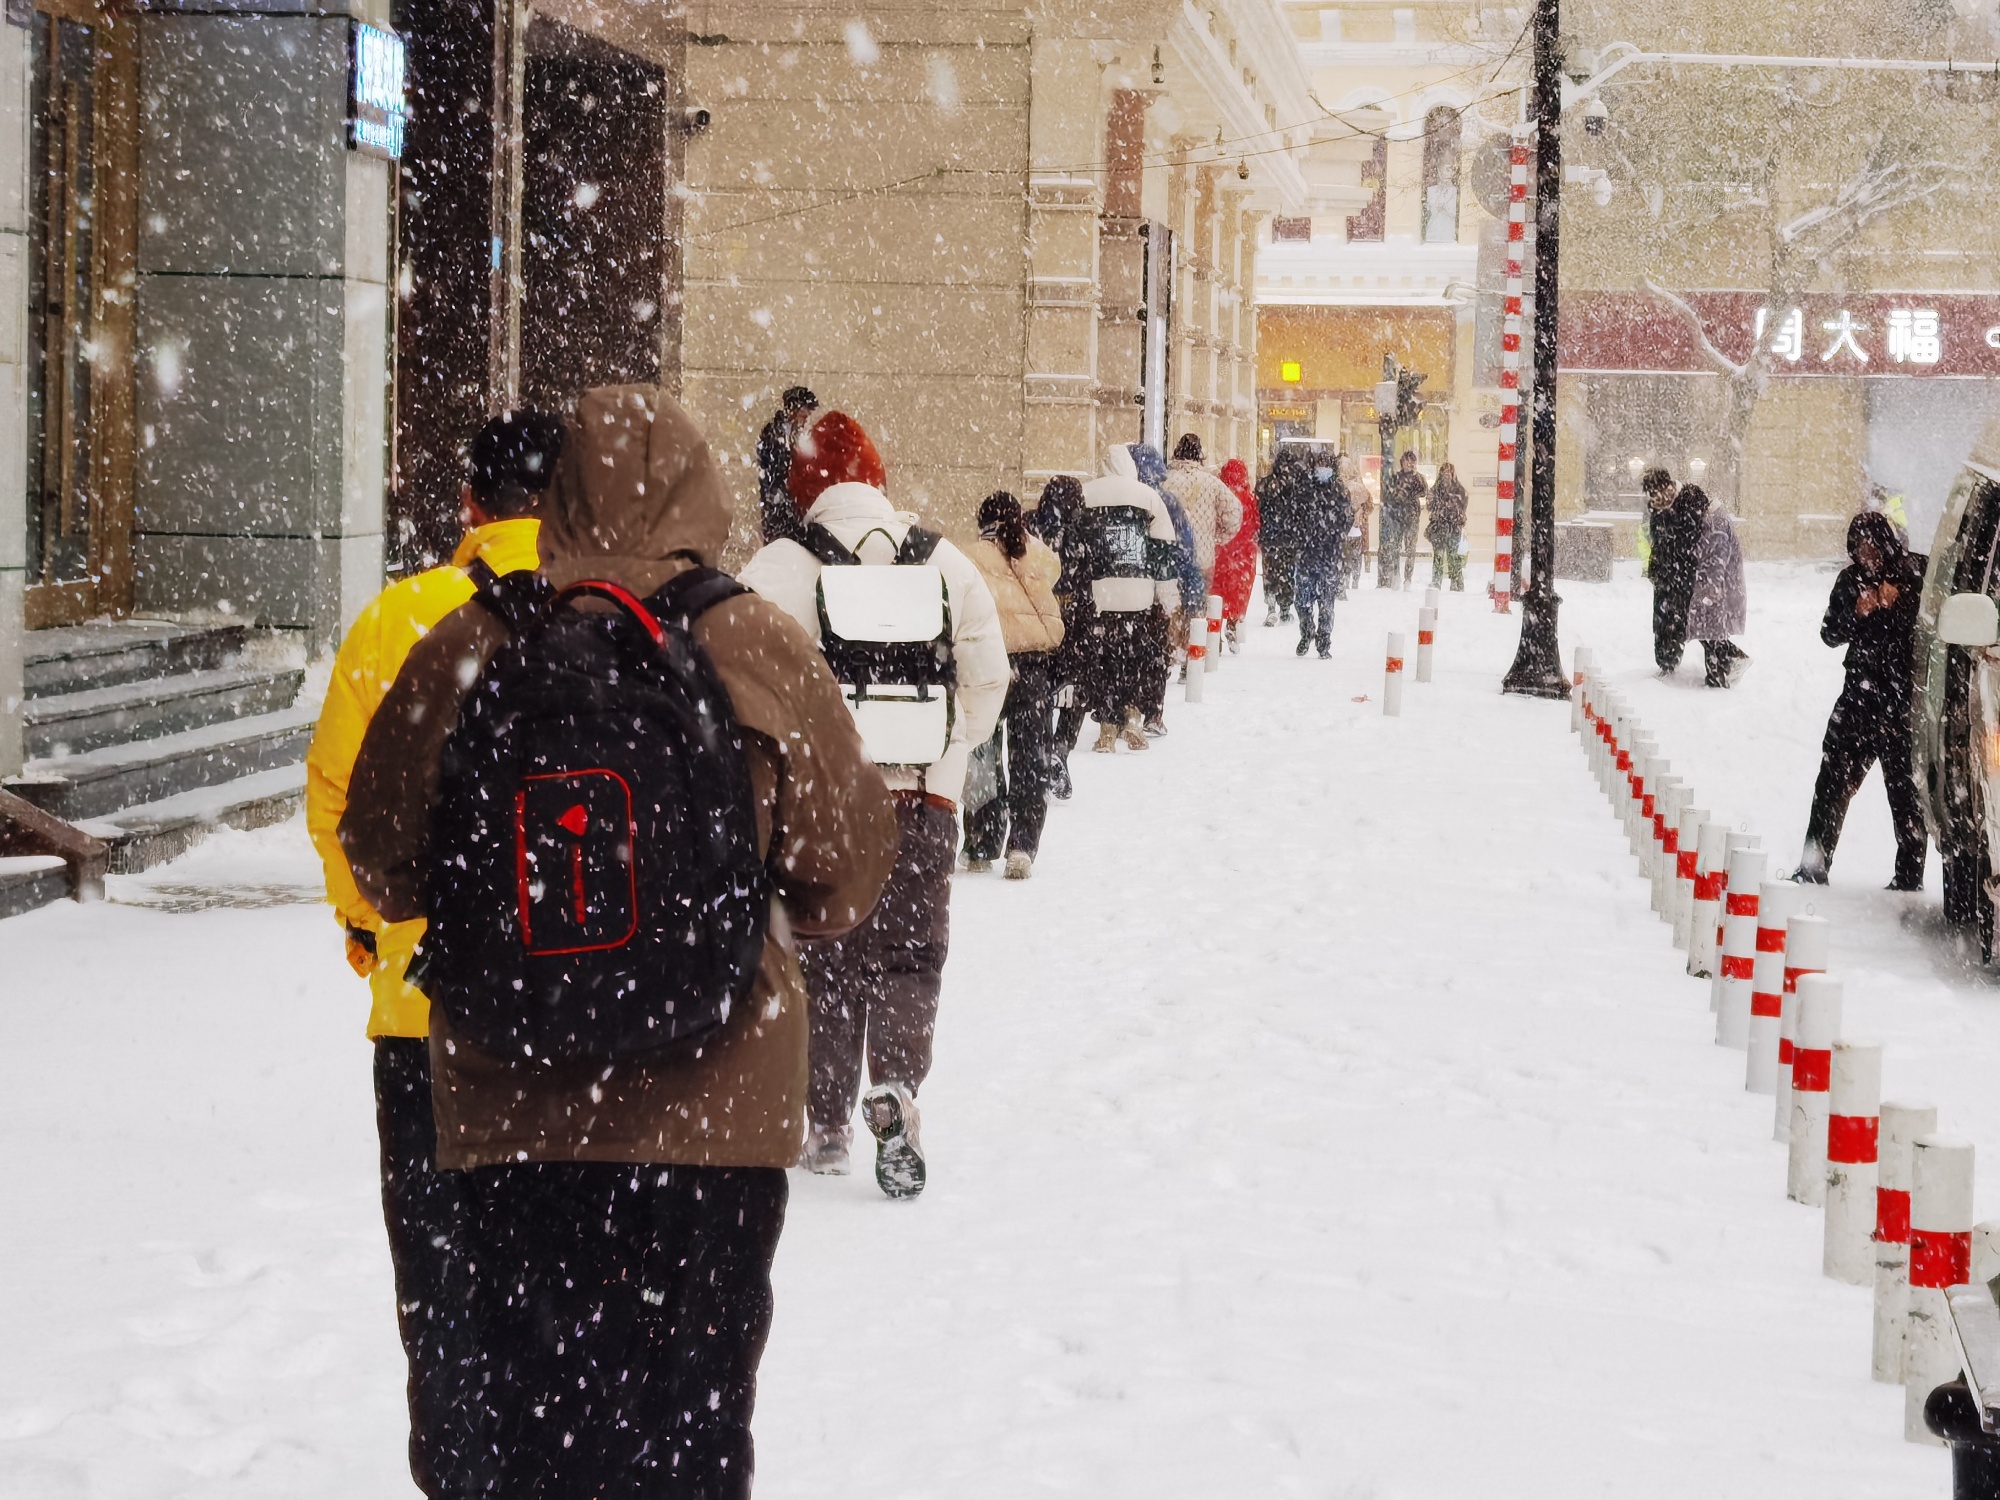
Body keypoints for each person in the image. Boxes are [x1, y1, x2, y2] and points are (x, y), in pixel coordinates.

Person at [338, 385, 898, 1498]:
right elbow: (845, 875)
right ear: (702, 491)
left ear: (552, 495)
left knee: (533, 1429)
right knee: (691, 1430)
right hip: (716, 1121)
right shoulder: (752, 641)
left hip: (512, 1105)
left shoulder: (476, 637)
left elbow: (380, 860)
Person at [303, 408, 561, 1496]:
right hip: (575, 1016)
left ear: (469, 506)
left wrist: (371, 936)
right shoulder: (611, 619)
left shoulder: (395, 624)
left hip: (424, 1011)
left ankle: (458, 1475)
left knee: (442, 1282)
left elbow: (335, 804)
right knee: (562, 1280)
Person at [738, 409, 1008, 1193]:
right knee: (908, 957)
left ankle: (823, 1124)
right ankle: (893, 1087)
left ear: (805, 489)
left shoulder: (778, 568)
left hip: (820, 810)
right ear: (879, 480)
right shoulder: (946, 563)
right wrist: (945, 752)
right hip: (922, 803)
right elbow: (987, 679)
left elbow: (745, 692)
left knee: (822, 959)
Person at [1795, 511, 1928, 889]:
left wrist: (1899, 602)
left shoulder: (1916, 572)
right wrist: (1858, 611)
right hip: (1858, 699)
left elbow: (1932, 628)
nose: (1866, 555)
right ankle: (1812, 868)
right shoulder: (1850, 581)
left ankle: (1908, 876)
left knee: (1906, 794)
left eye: (1871, 547)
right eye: (1858, 548)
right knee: (1831, 786)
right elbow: (1829, 633)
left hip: (1903, 704)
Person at [963, 491, 1065, 879]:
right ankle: (1022, 845)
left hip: (986, 665)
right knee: (1029, 758)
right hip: (1032, 666)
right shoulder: (1037, 556)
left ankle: (982, 842)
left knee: (982, 755)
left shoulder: (969, 557)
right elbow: (1053, 605)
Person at [1075, 444, 1180, 751]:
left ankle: (1107, 726)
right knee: (1134, 659)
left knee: (1104, 661)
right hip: (1138, 596)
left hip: (1101, 595)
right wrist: (1168, 599)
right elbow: (1164, 552)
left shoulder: (1087, 494)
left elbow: (1076, 549)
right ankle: (1133, 716)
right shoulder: (1148, 497)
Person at [1133, 441, 1199, 736]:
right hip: (1160, 588)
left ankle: (1126, 709)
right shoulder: (1168, 502)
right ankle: (1152, 713)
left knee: (1127, 654)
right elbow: (1184, 549)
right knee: (1156, 652)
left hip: (1124, 592)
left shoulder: (1125, 499)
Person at [1035, 474, 1090, 799]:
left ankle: (1044, 755)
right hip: (1070, 626)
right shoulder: (1081, 532)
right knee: (1076, 692)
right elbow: (1088, 582)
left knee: (1039, 694)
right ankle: (1060, 748)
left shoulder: (1030, 528)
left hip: (1037, 626)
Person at [1163, 433, 1244, 600]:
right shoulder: (1211, 483)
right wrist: (1217, 538)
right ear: (1199, 454)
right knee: (1198, 608)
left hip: (1170, 556)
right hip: (1203, 556)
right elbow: (1234, 513)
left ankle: (1178, 625)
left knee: (1171, 609)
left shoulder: (1165, 481)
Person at [1683, 484, 1749, 687]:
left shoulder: (1717, 524)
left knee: (1711, 632)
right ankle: (1724, 669)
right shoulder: (1713, 518)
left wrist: (1711, 589)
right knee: (1708, 632)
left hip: (1721, 588)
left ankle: (1720, 674)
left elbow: (1718, 559)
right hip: (1719, 587)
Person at [1291, 453, 1353, 658]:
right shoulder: (1305, 491)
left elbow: (1347, 518)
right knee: (1302, 601)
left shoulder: (1339, 492)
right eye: (1319, 464)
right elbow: (1295, 517)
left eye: (1326, 465)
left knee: (1326, 603)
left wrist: (1336, 535)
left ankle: (1324, 640)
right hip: (1307, 555)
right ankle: (1307, 631)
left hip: (1329, 555)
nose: (1322, 468)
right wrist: (1300, 537)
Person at [1643, 468, 1704, 675]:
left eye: (1658, 496)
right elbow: (1656, 541)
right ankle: (1664, 663)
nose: (1656, 502)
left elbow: (1691, 540)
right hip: (1664, 576)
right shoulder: (1657, 508)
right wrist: (1655, 567)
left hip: (1685, 575)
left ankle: (1720, 660)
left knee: (1682, 621)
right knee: (1661, 621)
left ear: (1668, 487)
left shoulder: (1690, 499)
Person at [755, 384, 818, 543]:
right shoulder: (774, 433)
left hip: (789, 505)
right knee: (780, 545)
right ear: (793, 409)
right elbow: (776, 472)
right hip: (779, 506)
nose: (806, 418)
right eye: (805, 413)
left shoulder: (793, 433)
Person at [1212, 458, 1261, 652]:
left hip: (1220, 551)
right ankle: (1232, 622)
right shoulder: (1250, 499)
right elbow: (1256, 524)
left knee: (1217, 591)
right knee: (1238, 591)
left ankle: (1214, 631)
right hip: (1243, 554)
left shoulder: (1219, 495)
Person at [1256, 446, 1304, 625]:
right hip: (1289, 538)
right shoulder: (1296, 486)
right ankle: (1285, 609)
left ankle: (1271, 608)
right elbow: (1301, 513)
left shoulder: (1265, 484)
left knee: (1270, 573)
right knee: (1287, 573)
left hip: (1270, 537)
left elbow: (1258, 510)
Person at [1378, 450, 1426, 590]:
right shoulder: (1396, 477)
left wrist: (1416, 477)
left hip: (1412, 517)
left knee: (1410, 548)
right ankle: (1396, 575)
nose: (1410, 464)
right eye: (1407, 461)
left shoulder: (1419, 478)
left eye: (1413, 461)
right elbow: (1390, 495)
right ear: (1402, 462)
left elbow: (1424, 491)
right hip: (1398, 517)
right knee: (1395, 547)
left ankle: (1408, 578)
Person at [1426, 460, 1469, 591]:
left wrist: (1450, 511)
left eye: (1449, 473)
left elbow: (1462, 505)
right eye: (1444, 473)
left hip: (1453, 527)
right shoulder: (1436, 489)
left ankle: (1456, 582)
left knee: (1453, 555)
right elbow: (1430, 504)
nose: (1446, 476)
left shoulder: (1459, 490)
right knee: (1438, 555)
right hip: (1439, 527)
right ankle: (1436, 580)